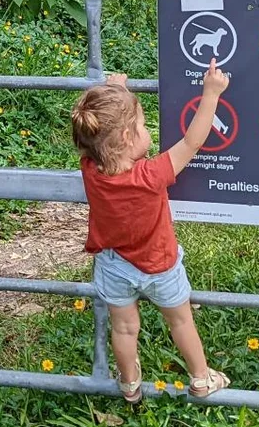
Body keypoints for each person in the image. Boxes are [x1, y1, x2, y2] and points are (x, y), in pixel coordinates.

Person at [70, 66, 231, 404]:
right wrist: (212, 93)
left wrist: (114, 91)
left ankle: (129, 385)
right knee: (181, 321)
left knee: (125, 328)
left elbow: (97, 139)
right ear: (128, 139)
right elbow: (193, 140)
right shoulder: (151, 174)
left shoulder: (91, 171)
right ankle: (201, 378)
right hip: (160, 264)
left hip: (113, 265)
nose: (147, 131)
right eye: (143, 126)